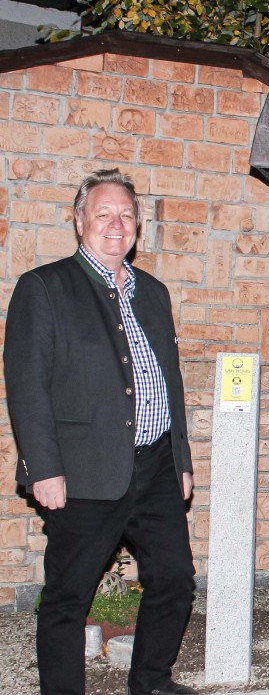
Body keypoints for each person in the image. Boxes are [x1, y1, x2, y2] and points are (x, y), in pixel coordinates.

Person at [4, 169, 197, 695]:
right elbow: (27, 386)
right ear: (79, 221)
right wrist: (43, 469)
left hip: (155, 467)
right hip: (83, 471)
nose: (117, 224)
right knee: (68, 597)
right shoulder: (44, 287)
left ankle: (151, 681)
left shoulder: (152, 292)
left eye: (126, 215)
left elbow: (170, 382)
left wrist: (180, 460)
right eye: (104, 213)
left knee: (175, 579)